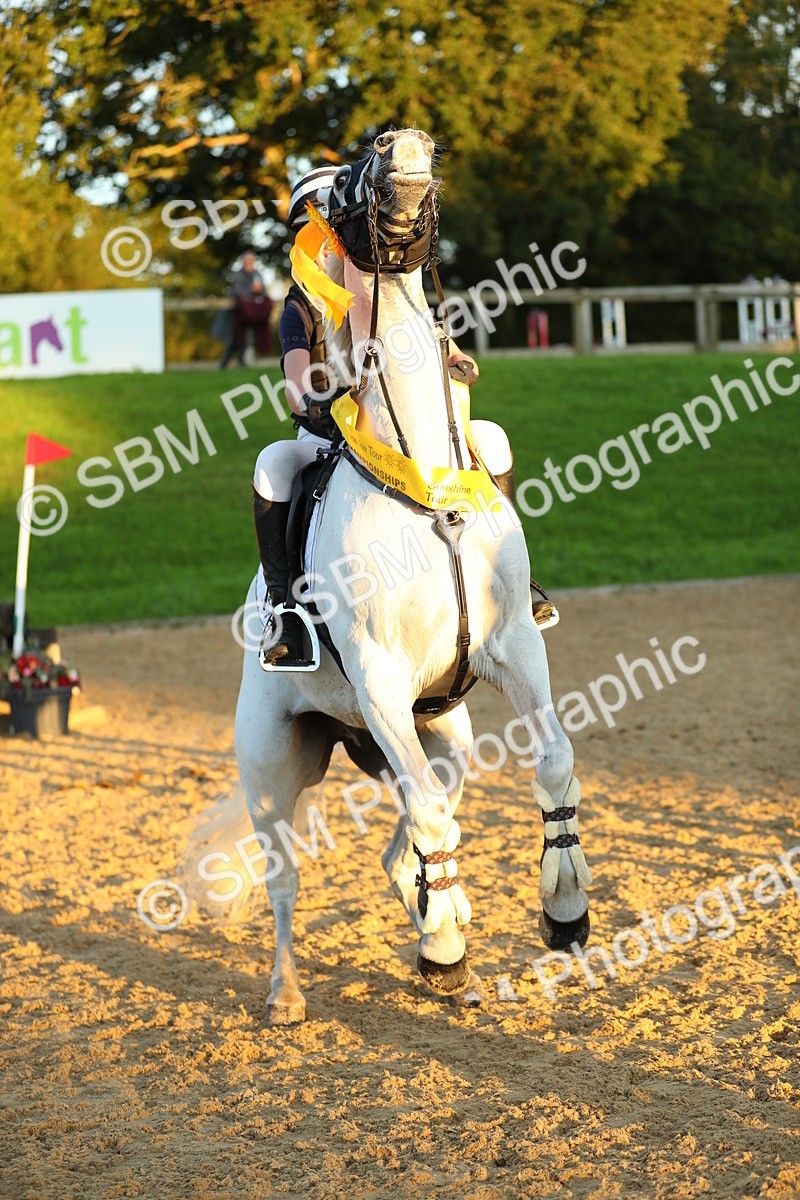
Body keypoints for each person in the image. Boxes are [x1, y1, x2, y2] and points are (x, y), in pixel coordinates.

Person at [252, 165, 555, 670]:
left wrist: (456, 360)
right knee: (271, 464)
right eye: (325, 231)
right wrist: (317, 399)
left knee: (493, 438)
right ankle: (283, 608)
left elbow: (438, 344)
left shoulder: (384, 295)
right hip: (330, 438)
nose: (336, 244)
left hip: (400, 434)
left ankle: (517, 581)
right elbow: (297, 386)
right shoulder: (300, 309)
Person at [220, 252, 273, 368]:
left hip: (255, 313)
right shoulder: (238, 275)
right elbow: (237, 292)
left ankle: (240, 361)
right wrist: (251, 291)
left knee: (253, 336)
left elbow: (263, 291)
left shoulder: (257, 274)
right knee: (237, 337)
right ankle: (228, 361)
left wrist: (258, 291)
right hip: (241, 313)